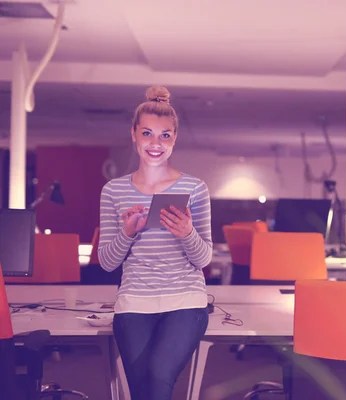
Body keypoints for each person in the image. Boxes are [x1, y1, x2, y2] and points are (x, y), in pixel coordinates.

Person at [98, 86, 213, 400]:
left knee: (160, 374)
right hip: (134, 301)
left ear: (174, 138)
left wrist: (187, 233)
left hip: (185, 300)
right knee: (142, 390)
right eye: (147, 133)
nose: (155, 143)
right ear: (134, 134)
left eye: (164, 135)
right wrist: (127, 233)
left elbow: (204, 260)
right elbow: (107, 263)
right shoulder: (114, 191)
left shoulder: (195, 188)